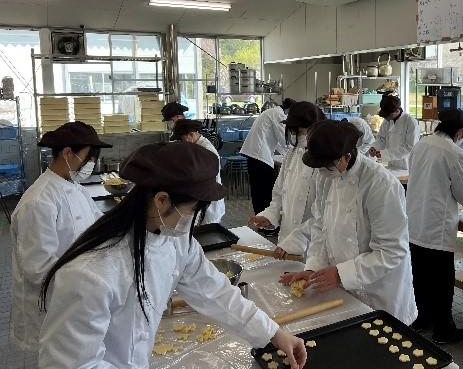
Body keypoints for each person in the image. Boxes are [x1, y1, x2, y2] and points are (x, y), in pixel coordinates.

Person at [38, 141, 307, 369]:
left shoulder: (175, 241)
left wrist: (273, 333)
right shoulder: (90, 274)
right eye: (192, 210)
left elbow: (215, 291)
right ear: (161, 200)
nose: (193, 219)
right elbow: (73, 364)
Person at [281, 120, 417, 325]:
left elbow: (391, 251)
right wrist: (313, 269)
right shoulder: (326, 177)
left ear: (347, 156)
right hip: (343, 290)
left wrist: (340, 274)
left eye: (327, 165)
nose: (322, 171)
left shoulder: (381, 184)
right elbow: (320, 228)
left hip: (380, 293)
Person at [10, 121, 112, 354]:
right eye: (89, 157)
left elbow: (98, 226)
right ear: (67, 153)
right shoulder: (39, 202)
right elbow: (38, 269)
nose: (91, 163)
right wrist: (90, 283)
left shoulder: (75, 187)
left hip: (74, 299)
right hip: (49, 306)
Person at [406, 109, 463, 344]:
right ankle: (443, 330)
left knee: (420, 276)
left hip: (415, 222)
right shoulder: (454, 152)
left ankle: (422, 319)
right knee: (441, 280)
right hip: (437, 226)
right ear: (460, 131)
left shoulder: (421, 144)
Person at [249, 102, 323, 258]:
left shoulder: (323, 162)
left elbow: (323, 215)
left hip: (312, 246)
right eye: (297, 131)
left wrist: (296, 241)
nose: (300, 136)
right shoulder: (291, 154)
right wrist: (270, 216)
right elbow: (279, 194)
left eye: (303, 131)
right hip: (286, 239)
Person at [241, 98, 295, 215]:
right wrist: (294, 155)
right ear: (289, 110)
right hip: (260, 156)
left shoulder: (272, 112)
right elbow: (284, 139)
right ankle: (264, 220)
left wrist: (288, 153)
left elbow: (280, 142)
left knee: (258, 191)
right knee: (265, 191)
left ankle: (260, 218)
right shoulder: (278, 114)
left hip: (255, 156)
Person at [171, 119, 225, 224]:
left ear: (191, 134)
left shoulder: (206, 150)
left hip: (208, 200)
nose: (181, 143)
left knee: (206, 229)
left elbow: (200, 177)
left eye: (182, 139)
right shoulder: (196, 145)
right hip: (202, 198)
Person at [369, 94, 418, 169]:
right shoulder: (387, 121)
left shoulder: (410, 122)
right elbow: (381, 138)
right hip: (391, 164)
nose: (386, 118)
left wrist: (385, 154)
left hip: (406, 165)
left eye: (388, 115)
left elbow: (410, 147)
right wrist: (374, 147)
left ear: (397, 111)